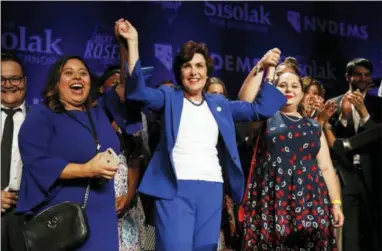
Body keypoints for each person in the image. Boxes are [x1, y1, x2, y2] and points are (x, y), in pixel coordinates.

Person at [116, 19, 287, 251]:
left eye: (199, 66)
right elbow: (138, 93)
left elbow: (261, 108)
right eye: (187, 66)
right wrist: (133, 43)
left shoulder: (219, 104)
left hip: (211, 187)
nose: (194, 72)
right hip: (175, 189)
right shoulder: (169, 96)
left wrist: (269, 70)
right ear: (179, 72)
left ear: (207, 72)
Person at [16, 54, 142, 250]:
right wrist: (86, 169)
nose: (77, 77)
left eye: (83, 73)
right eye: (68, 73)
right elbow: (36, 162)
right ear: (56, 84)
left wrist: (128, 44)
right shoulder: (42, 115)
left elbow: (127, 86)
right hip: (63, 221)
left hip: (103, 217)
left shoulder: (100, 112)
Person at [239, 63, 344, 250]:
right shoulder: (264, 118)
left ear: (302, 94)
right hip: (273, 200)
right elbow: (244, 101)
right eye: (282, 85)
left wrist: (336, 204)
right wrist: (262, 67)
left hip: (311, 202)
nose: (288, 89)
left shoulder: (313, 126)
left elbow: (326, 167)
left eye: (294, 86)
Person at [329, 58, 382, 251]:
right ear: (348, 77)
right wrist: (343, 118)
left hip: (373, 178)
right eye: (358, 74)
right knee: (350, 238)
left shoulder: (379, 105)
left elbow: (378, 139)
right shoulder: (333, 104)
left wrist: (364, 113)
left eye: (367, 75)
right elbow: (331, 142)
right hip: (346, 178)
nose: (363, 78)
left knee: (373, 236)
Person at [1, 52, 28, 251]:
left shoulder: (42, 120)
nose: (8, 84)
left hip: (28, 217)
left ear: (25, 81)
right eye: (1, 79)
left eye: (14, 78)